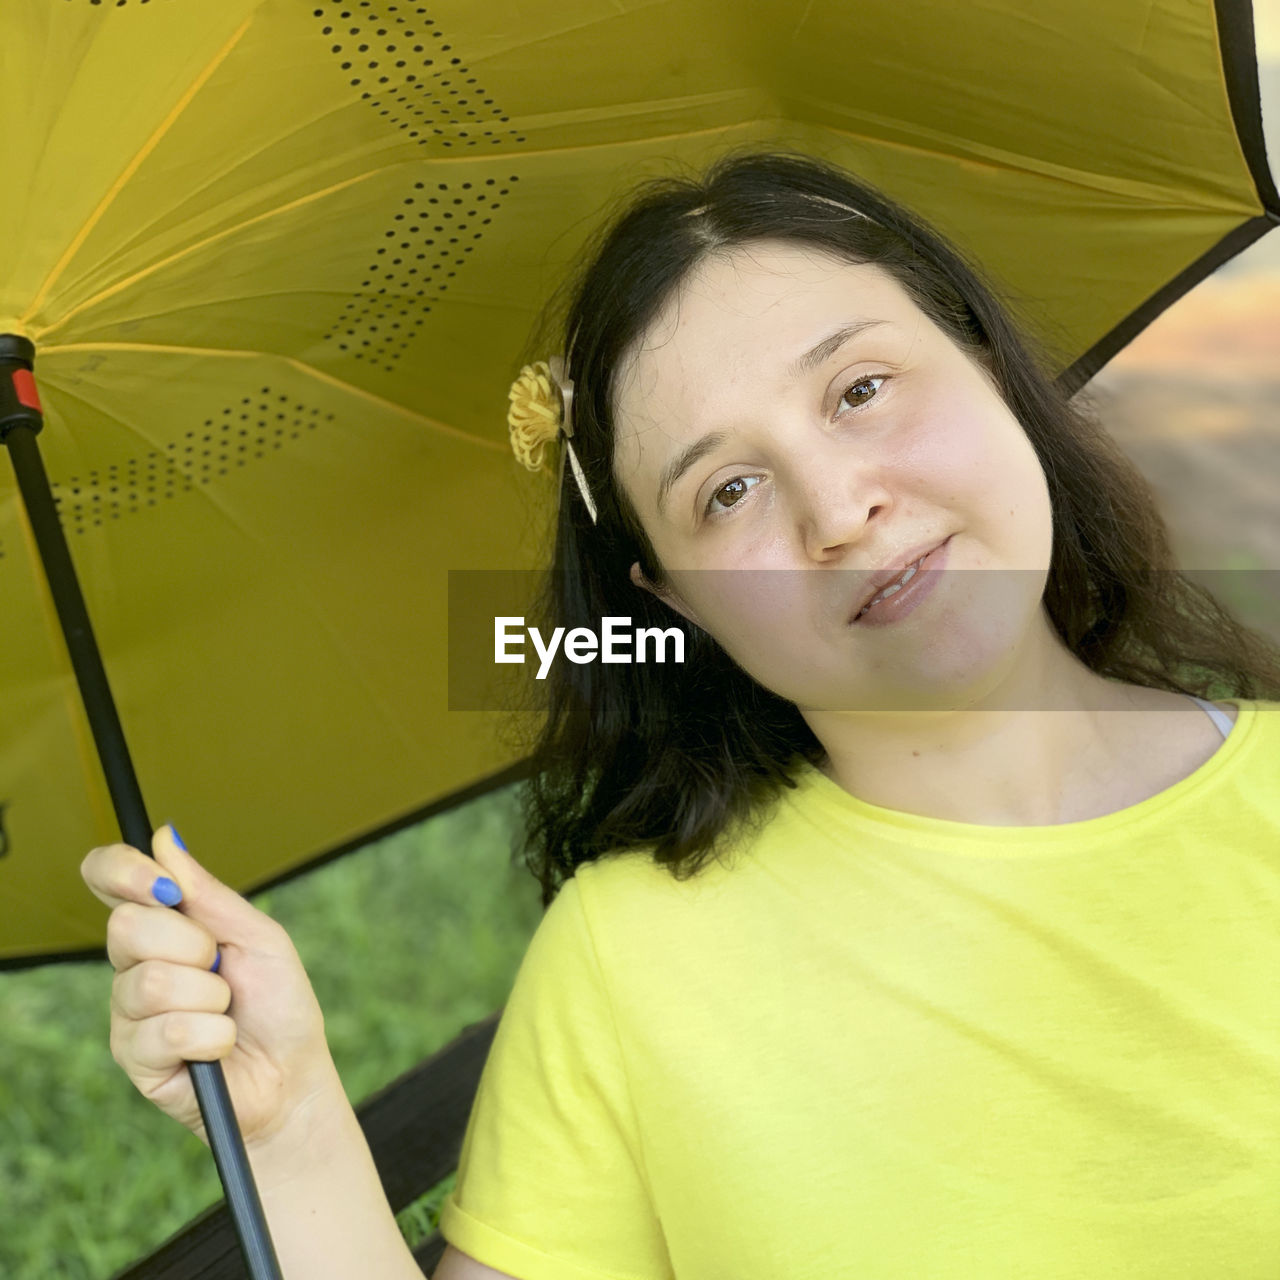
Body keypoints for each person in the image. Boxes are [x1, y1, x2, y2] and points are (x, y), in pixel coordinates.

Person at [80, 150, 1280, 1280]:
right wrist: (289, 1125)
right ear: (675, 600)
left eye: (859, 388)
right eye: (727, 491)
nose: (838, 508)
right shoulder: (631, 955)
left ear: (986, 362)